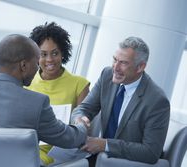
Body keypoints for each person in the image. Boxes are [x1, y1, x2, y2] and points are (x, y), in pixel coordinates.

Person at [0, 34, 88, 164]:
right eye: (36, 62)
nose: (38, 67)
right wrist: (81, 124)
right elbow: (69, 139)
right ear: (24, 65)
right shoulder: (36, 103)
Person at [71, 36, 170, 166]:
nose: (115, 68)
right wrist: (79, 119)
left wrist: (105, 145)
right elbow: (84, 108)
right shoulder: (107, 75)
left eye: (123, 63)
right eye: (115, 59)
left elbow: (151, 152)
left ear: (140, 67)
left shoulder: (157, 101)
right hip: (99, 159)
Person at [28, 22, 90, 165]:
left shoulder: (79, 84)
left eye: (55, 53)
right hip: (27, 144)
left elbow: (84, 128)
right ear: (36, 56)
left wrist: (81, 123)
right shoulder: (27, 82)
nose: (49, 60)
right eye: (43, 54)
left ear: (63, 53)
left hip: (58, 150)